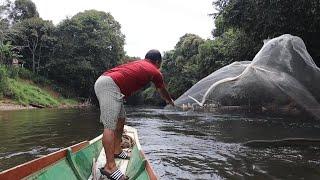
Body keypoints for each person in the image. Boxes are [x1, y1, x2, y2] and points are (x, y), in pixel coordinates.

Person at [94, 49, 174, 180]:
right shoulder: (155, 71)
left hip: (110, 84)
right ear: (158, 62)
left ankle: (117, 150)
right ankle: (110, 166)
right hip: (108, 85)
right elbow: (162, 90)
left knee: (121, 119)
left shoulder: (141, 64)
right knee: (110, 126)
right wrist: (169, 100)